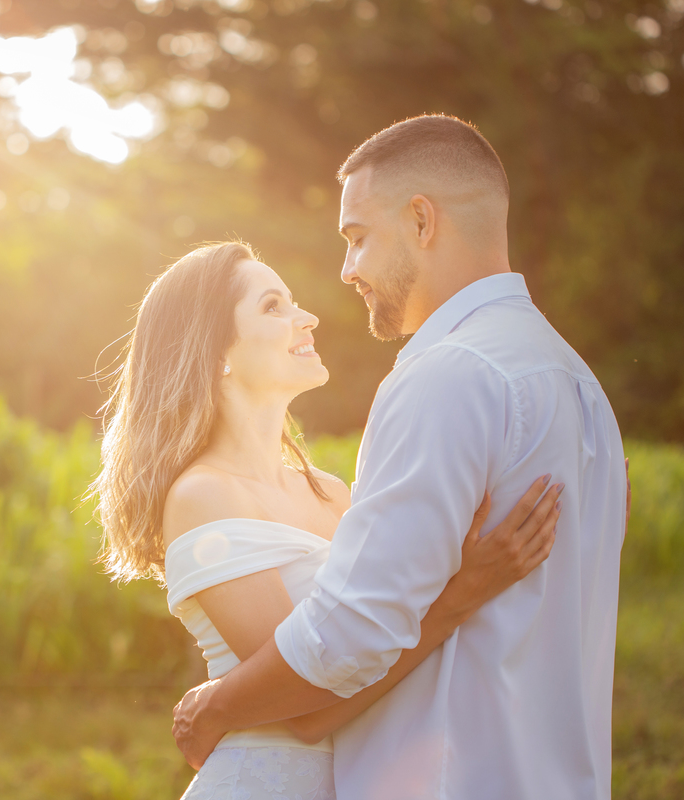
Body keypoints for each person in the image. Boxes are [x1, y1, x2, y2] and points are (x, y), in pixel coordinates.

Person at [171, 115, 627, 800]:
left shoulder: (446, 376)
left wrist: (219, 705)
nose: (347, 271)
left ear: (421, 221)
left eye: (357, 238)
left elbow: (352, 632)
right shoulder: (576, 381)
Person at [90, 236, 562, 799]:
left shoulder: (333, 494)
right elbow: (309, 705)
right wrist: (464, 592)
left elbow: (397, 631)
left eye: (293, 302)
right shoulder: (203, 497)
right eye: (273, 306)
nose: (307, 318)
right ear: (215, 350)